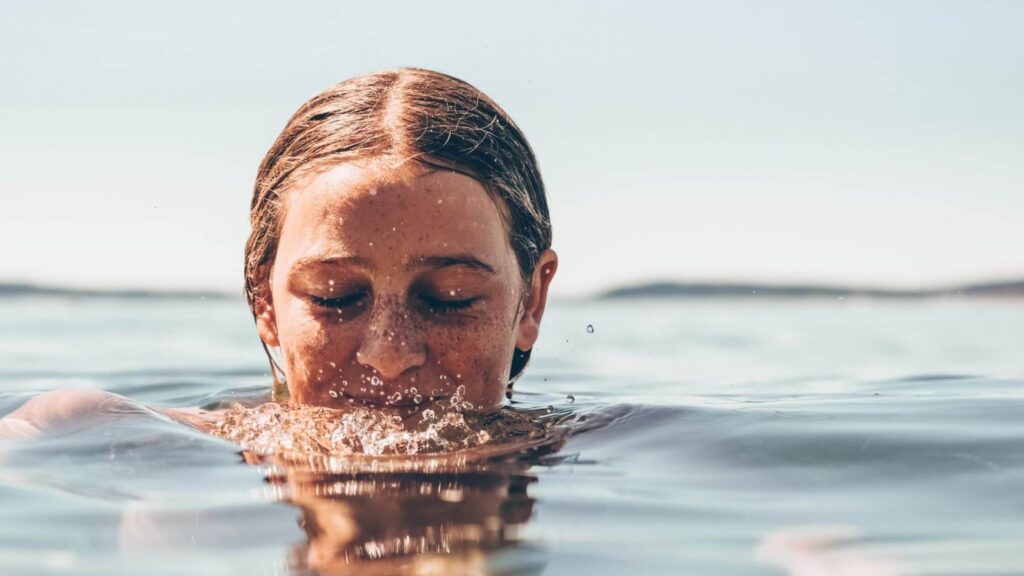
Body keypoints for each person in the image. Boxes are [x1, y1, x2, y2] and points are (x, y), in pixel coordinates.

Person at [0, 67, 558, 438]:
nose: (389, 354)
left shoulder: (614, 451)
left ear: (530, 303)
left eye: (449, 298)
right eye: (334, 296)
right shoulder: (99, 436)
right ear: (264, 300)